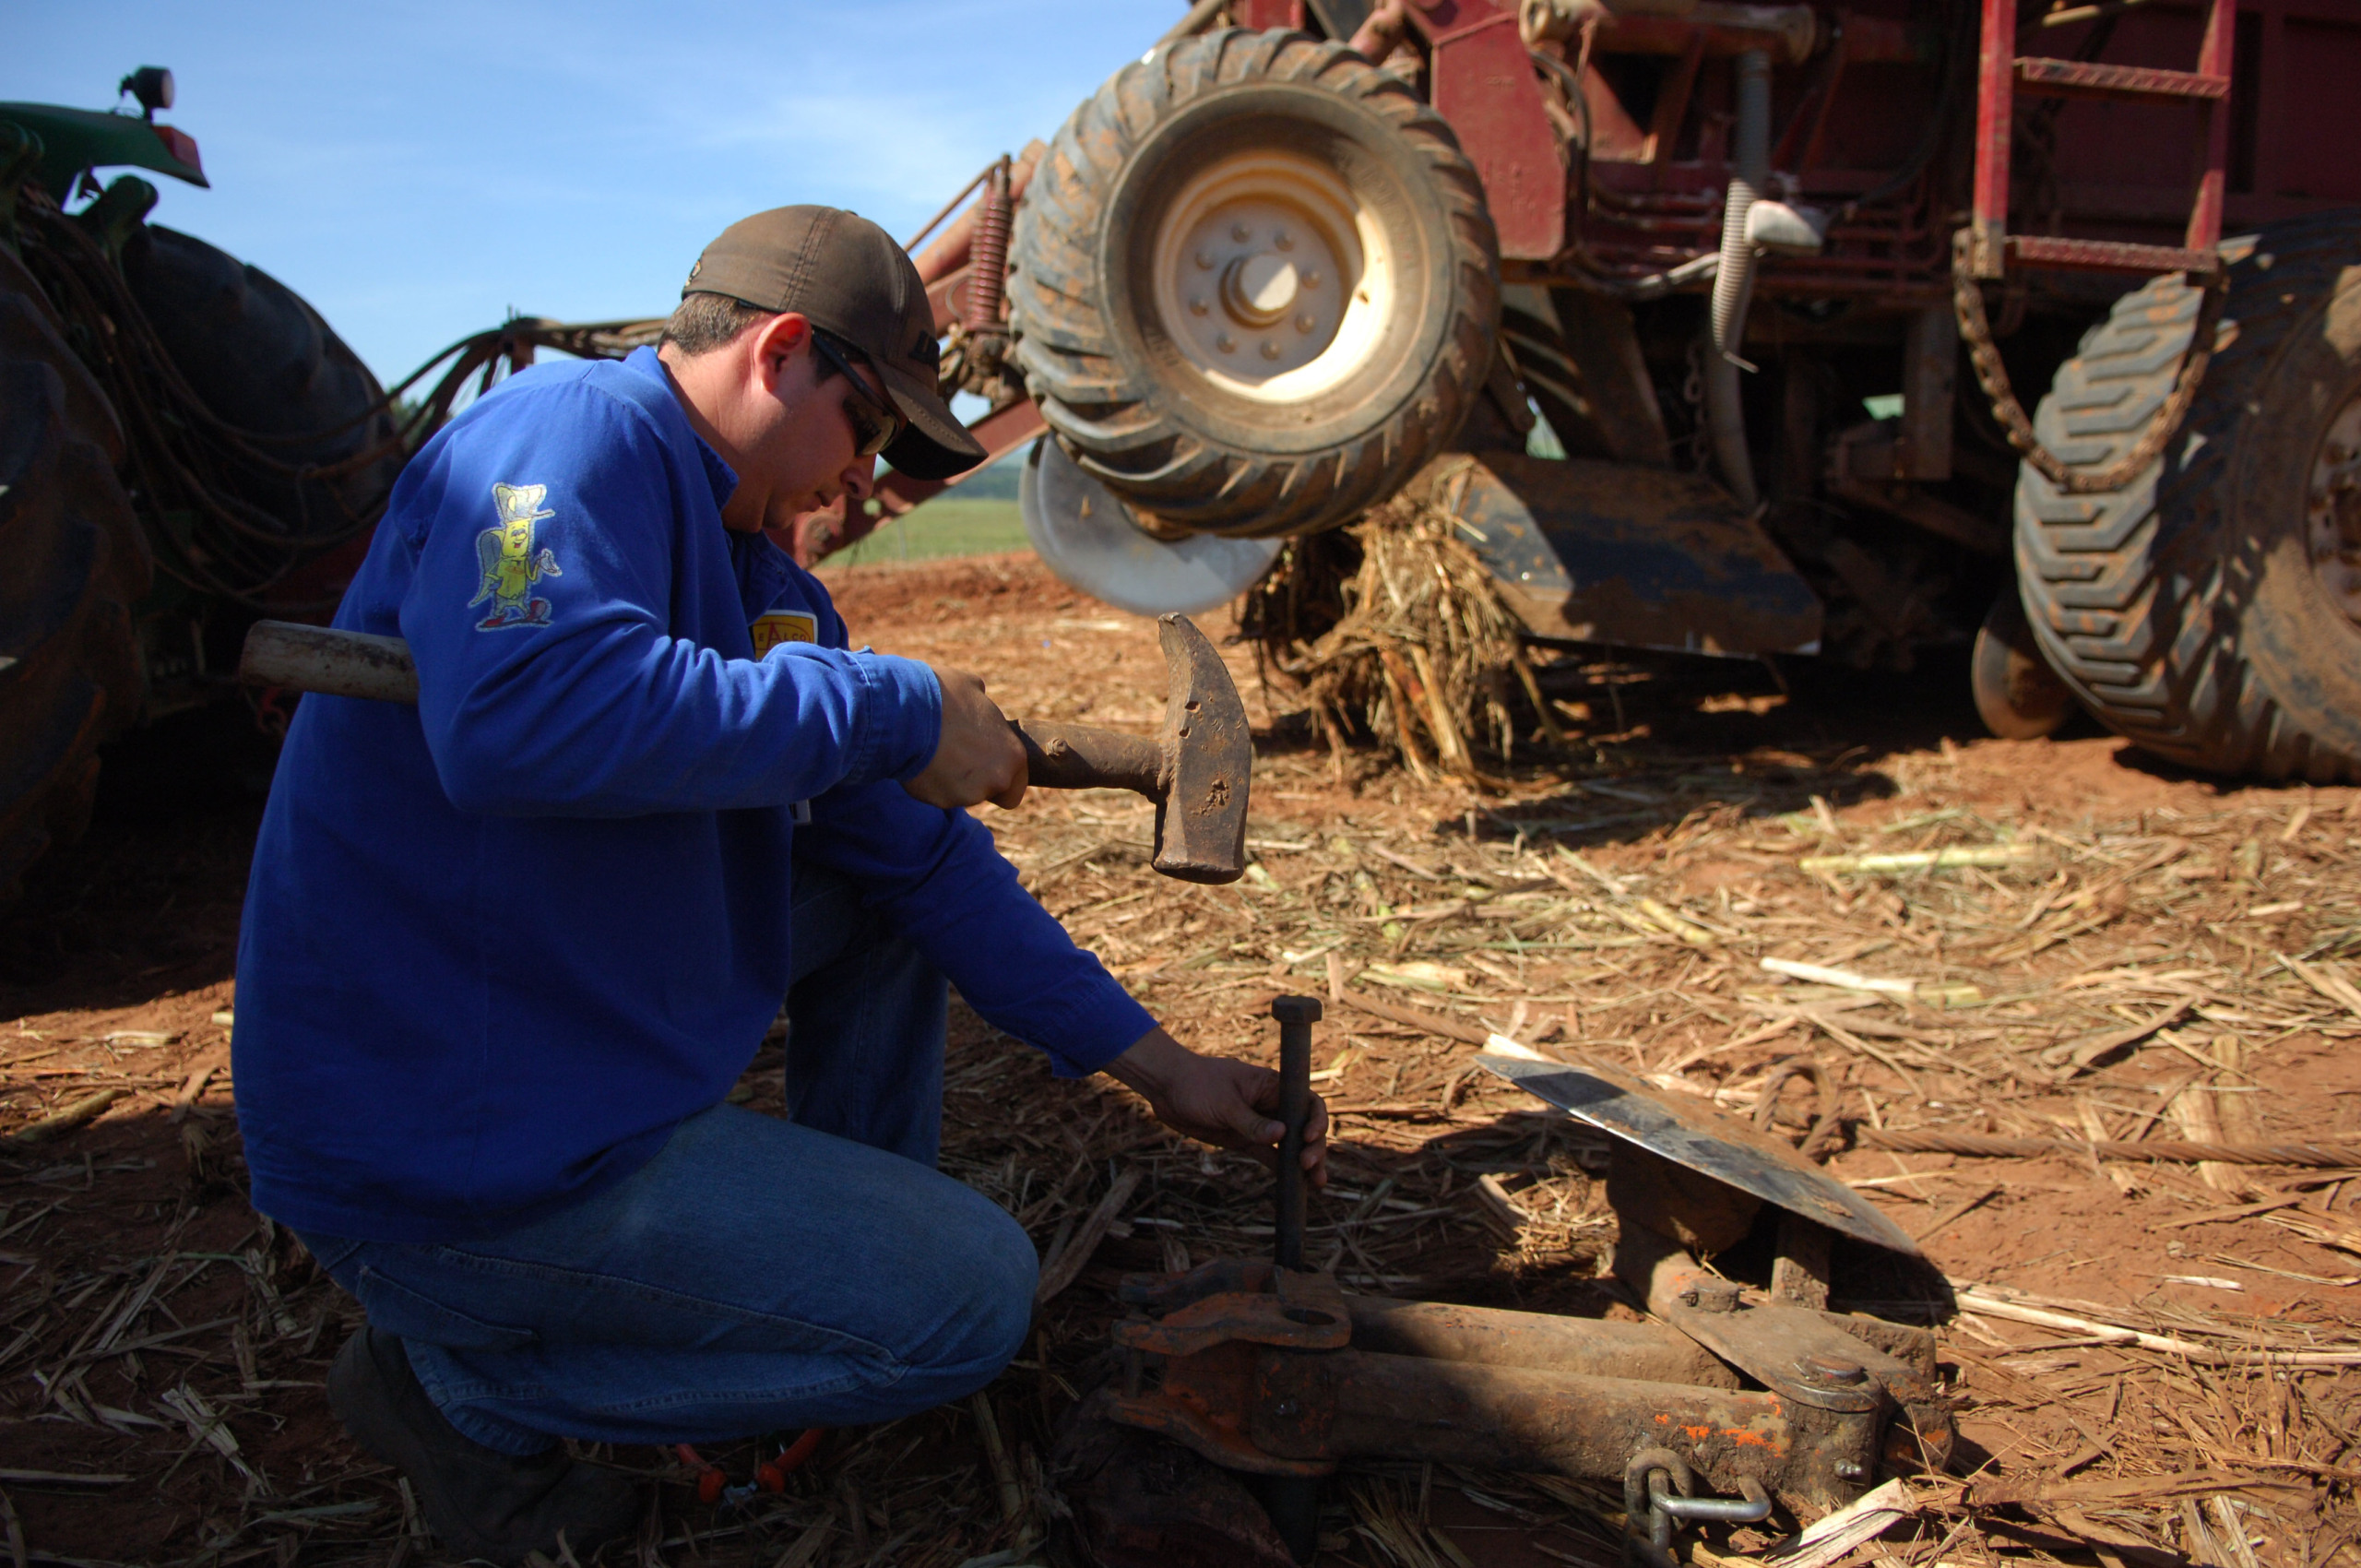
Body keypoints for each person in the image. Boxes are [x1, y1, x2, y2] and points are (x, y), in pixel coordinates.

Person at [231, 206, 1329, 1563]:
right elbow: (516, 716)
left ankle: (813, 1282)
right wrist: (887, 710)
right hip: (444, 1140)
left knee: (879, 893)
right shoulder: (556, 444)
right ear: (783, 351)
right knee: (973, 1309)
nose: (862, 479)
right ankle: (454, 1382)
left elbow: (918, 858)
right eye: (865, 430)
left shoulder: (760, 572)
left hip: (550, 1047)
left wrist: (1162, 1068)